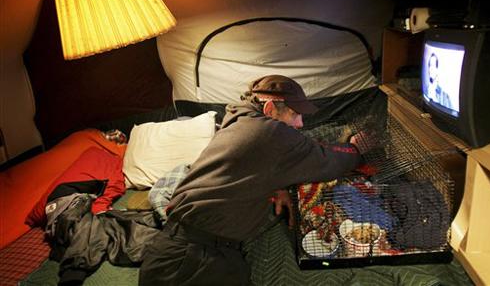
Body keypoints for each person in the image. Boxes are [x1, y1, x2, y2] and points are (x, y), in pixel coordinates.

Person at [139, 75, 369, 286]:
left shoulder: (241, 119)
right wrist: (357, 148)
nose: (300, 123)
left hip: (181, 243)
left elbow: (252, 165)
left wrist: (277, 185)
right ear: (270, 108)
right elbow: (328, 161)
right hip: (191, 258)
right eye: (294, 113)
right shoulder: (272, 133)